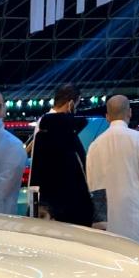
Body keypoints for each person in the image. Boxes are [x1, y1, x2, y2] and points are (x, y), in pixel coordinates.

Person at [85, 94, 139, 247]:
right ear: (129, 112)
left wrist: (98, 221)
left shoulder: (94, 146)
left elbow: (92, 186)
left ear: (107, 117)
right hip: (135, 213)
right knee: (138, 255)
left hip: (108, 218)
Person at [28, 84, 93, 226]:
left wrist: (33, 205)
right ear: (71, 104)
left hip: (48, 206)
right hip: (71, 207)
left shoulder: (43, 126)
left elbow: (35, 170)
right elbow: (84, 172)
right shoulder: (68, 131)